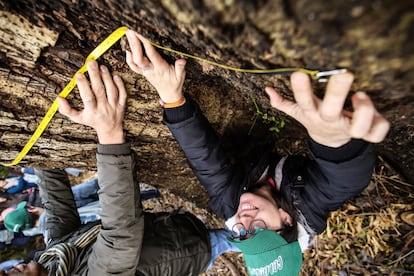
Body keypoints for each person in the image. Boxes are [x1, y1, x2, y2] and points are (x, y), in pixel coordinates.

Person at [124, 29, 390, 275]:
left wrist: (172, 98)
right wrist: (333, 142)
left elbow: (205, 160)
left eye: (242, 233)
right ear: (287, 219)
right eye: (259, 229)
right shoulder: (306, 209)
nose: (245, 219)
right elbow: (344, 182)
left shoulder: (230, 206)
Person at [0, 59, 217, 276]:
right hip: (191, 250)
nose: (7, 272)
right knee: (237, 239)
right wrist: (109, 134)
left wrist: (36, 147)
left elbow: (58, 206)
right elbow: (120, 235)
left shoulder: (51, 258)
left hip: (172, 229)